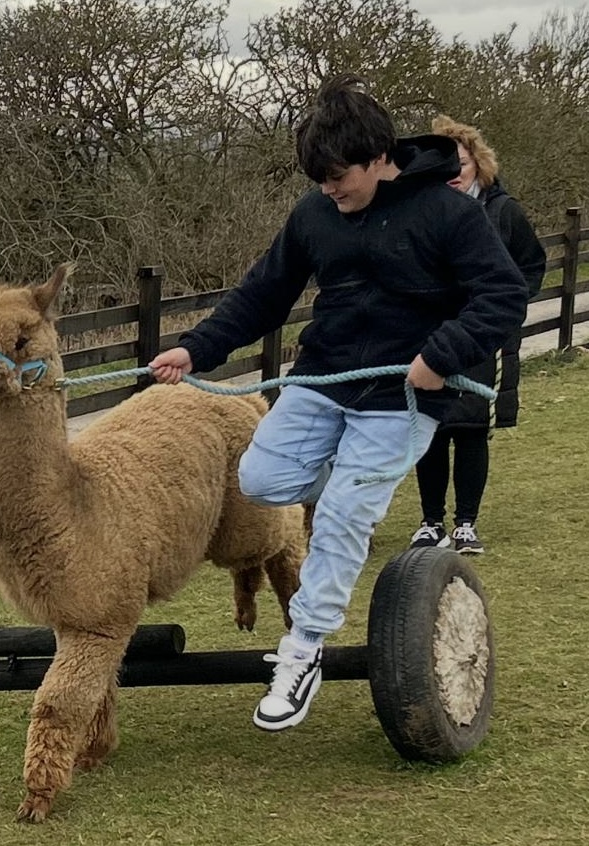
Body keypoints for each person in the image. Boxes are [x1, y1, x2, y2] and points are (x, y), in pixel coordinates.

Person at [149, 74, 529, 733]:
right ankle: (347, 473)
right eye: (318, 177)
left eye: (338, 175)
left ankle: (304, 649)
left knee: (345, 515)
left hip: (401, 397)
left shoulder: (447, 212)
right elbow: (263, 293)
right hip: (323, 380)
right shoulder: (314, 215)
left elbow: (504, 295)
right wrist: (195, 348)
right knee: (260, 479)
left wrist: (441, 354)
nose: (329, 188)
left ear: (379, 157)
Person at [409, 116, 546, 555]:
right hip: (434, 335)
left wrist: (506, 310)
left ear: (477, 165)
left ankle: (466, 522)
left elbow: (531, 266)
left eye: (461, 164)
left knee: (471, 428)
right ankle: (431, 521)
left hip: (483, 339)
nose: (454, 173)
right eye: (446, 166)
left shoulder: (504, 212)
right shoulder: (422, 213)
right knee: (430, 427)